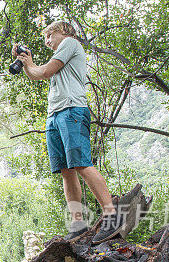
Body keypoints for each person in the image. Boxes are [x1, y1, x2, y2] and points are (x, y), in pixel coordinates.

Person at [13, 21, 124, 243]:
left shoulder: (70, 43)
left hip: (72, 110)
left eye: (49, 35)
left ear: (62, 31)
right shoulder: (60, 52)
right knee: (65, 169)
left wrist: (32, 63)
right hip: (54, 114)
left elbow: (45, 71)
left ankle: (112, 215)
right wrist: (25, 63)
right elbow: (36, 74)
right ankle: (78, 224)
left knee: (81, 162)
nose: (47, 41)